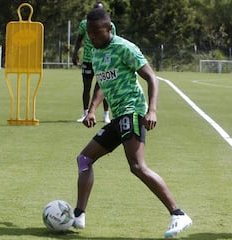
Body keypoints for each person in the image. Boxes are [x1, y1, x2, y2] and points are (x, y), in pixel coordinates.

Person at [72, 8, 192, 239]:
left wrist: (152, 110)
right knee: (84, 160)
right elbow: (102, 83)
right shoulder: (96, 52)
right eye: (89, 33)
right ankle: (78, 215)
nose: (92, 37)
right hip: (118, 117)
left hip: (133, 112)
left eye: (96, 32)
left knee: (137, 166)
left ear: (109, 28)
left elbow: (151, 77)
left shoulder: (125, 48)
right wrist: (92, 109)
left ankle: (178, 214)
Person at [72, 2, 116, 123]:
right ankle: (85, 113)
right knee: (87, 87)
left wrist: (112, 61)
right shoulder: (84, 24)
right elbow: (79, 39)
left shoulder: (110, 25)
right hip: (88, 59)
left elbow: (113, 43)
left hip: (103, 61)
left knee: (105, 87)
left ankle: (106, 114)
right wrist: (75, 53)